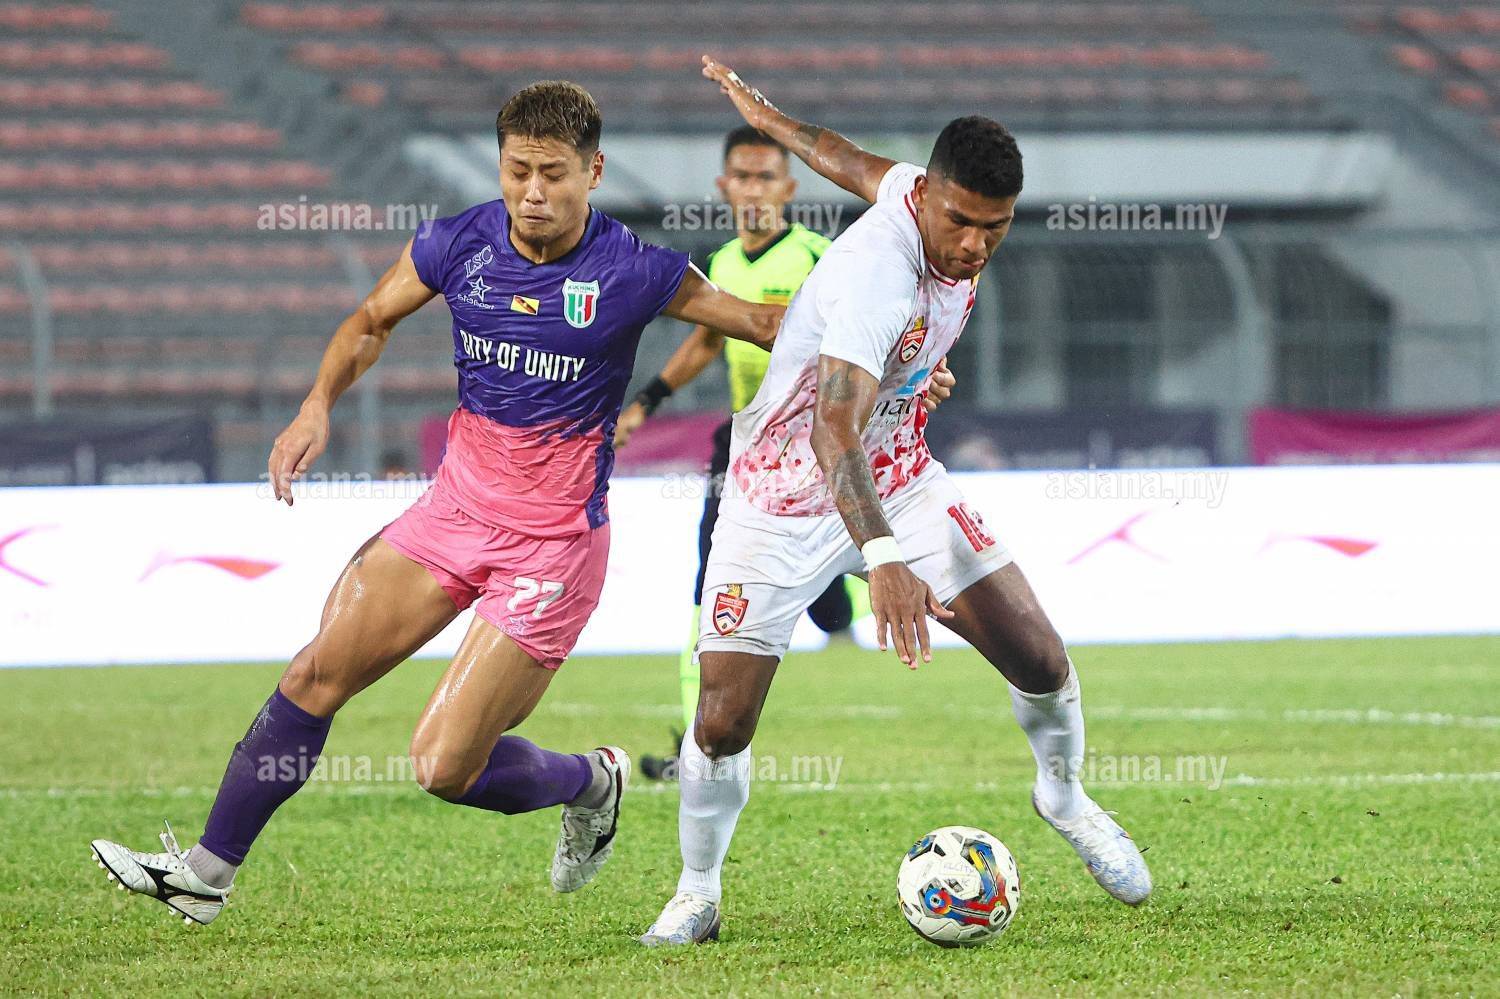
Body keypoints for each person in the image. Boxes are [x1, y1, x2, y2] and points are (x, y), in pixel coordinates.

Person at [87, 80, 784, 927]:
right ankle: (206, 873)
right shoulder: (458, 243)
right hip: (451, 516)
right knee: (313, 674)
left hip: (552, 548)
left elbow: (760, 321)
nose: (532, 192)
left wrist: (889, 328)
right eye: (517, 170)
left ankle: (590, 780)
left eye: (553, 174)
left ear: (594, 172)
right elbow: (370, 319)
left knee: (443, 767)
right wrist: (317, 404)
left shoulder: (636, 268)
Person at [640, 59, 1152, 946]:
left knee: (1039, 655)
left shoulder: (918, 190)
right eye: (961, 222)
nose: (975, 246)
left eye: (995, 227)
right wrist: (883, 560)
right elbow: (830, 431)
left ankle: (1064, 796)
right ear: (926, 201)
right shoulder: (877, 275)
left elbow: (841, 157)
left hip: (901, 473)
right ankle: (698, 890)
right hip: (779, 495)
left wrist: (770, 118)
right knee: (720, 722)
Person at [615, 125, 954, 779]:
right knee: (709, 584)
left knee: (826, 596)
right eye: (742, 178)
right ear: (724, 187)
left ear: (789, 188)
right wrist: (647, 401)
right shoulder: (721, 264)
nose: (753, 190)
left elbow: (893, 321)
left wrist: (925, 371)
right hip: (746, 450)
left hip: (821, 445)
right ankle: (695, 747)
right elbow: (708, 341)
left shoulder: (822, 257)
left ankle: (860, 596)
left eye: (765, 178)